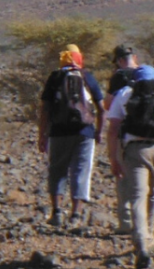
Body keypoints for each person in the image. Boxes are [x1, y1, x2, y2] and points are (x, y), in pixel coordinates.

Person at [106, 65, 154, 269]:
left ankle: (141, 243)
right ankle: (149, 238)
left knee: (138, 197)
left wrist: (113, 158)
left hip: (134, 150)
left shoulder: (124, 94)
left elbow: (113, 129)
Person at [37, 44, 104, 227]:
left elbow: (45, 109)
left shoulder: (55, 77)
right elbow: (101, 107)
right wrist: (99, 131)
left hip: (58, 131)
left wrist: (42, 135)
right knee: (81, 170)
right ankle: (76, 215)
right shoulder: (86, 76)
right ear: (79, 58)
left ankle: (57, 212)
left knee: (58, 170)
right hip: (85, 131)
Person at [105, 45, 143, 235]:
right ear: (134, 57)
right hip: (152, 136)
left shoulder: (119, 76)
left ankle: (126, 221)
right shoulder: (147, 75)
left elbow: (107, 104)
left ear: (119, 61)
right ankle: (150, 221)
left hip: (124, 135)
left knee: (123, 177)